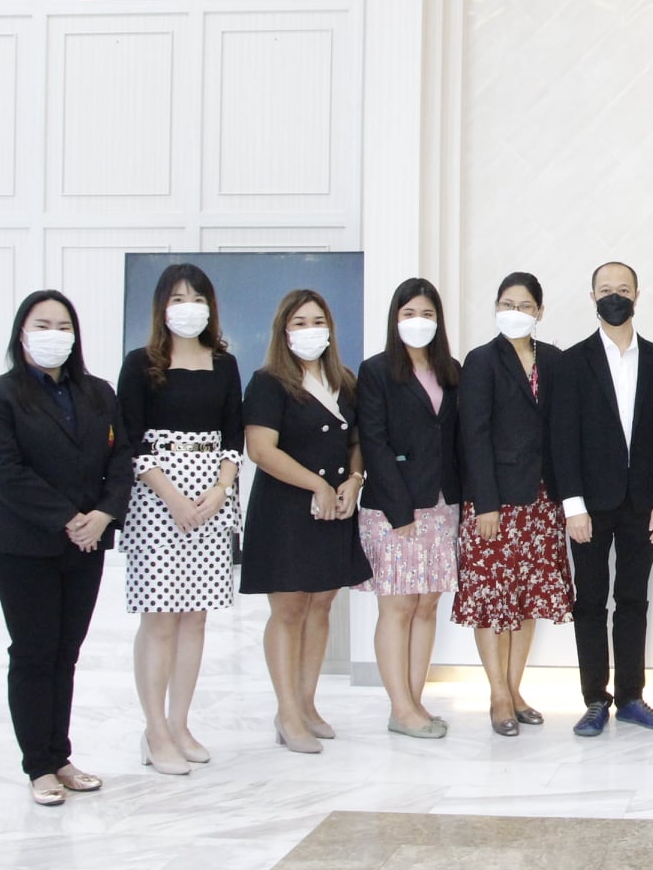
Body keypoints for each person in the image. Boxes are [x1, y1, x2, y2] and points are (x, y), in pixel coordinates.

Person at [0, 291, 131, 806]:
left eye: (64, 327)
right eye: (43, 325)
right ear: (22, 333)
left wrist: (104, 514)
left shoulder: (98, 392)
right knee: (34, 652)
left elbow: (122, 458)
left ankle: (60, 756)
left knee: (66, 653)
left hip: (87, 543)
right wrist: (67, 518)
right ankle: (38, 765)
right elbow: (4, 472)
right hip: (24, 545)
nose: (54, 335)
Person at [116, 263, 244, 776]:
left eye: (197, 298)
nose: (188, 307)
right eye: (178, 298)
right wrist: (171, 496)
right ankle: (154, 730)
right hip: (156, 498)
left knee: (196, 617)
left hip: (211, 496)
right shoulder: (140, 363)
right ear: (161, 307)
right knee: (161, 618)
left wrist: (220, 488)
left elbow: (233, 435)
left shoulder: (225, 364)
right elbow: (130, 440)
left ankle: (180, 722)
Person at [551, 261, 653, 737]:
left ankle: (630, 697)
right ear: (592, 297)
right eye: (605, 289)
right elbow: (561, 439)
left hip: (644, 504)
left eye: (623, 289)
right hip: (588, 506)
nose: (614, 297)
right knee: (589, 602)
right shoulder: (571, 362)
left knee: (633, 600)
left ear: (637, 296)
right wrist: (572, 505)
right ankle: (594, 700)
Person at [239, 288, 370, 753]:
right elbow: (261, 450)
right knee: (290, 608)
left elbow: (356, 442)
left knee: (321, 605)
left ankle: (308, 703)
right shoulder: (268, 382)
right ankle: (287, 712)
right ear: (283, 331)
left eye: (317, 321)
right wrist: (316, 484)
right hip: (285, 510)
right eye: (299, 323)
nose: (310, 330)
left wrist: (354, 479)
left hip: (335, 508)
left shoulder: (344, 381)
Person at [456, 273, 574, 736]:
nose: (516, 312)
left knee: (525, 600)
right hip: (495, 503)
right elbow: (474, 434)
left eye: (525, 305)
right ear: (496, 308)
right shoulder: (481, 360)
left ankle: (516, 688)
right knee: (492, 600)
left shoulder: (555, 360)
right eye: (507, 304)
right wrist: (485, 503)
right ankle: (498, 695)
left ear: (540, 311)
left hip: (542, 502)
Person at [355, 277, 462, 740]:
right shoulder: (377, 371)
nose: (418, 322)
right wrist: (400, 512)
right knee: (397, 606)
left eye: (427, 314)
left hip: (441, 504)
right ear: (395, 319)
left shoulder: (451, 370)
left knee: (427, 604)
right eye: (409, 313)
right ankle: (399, 707)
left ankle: (415, 703)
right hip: (393, 508)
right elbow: (373, 442)